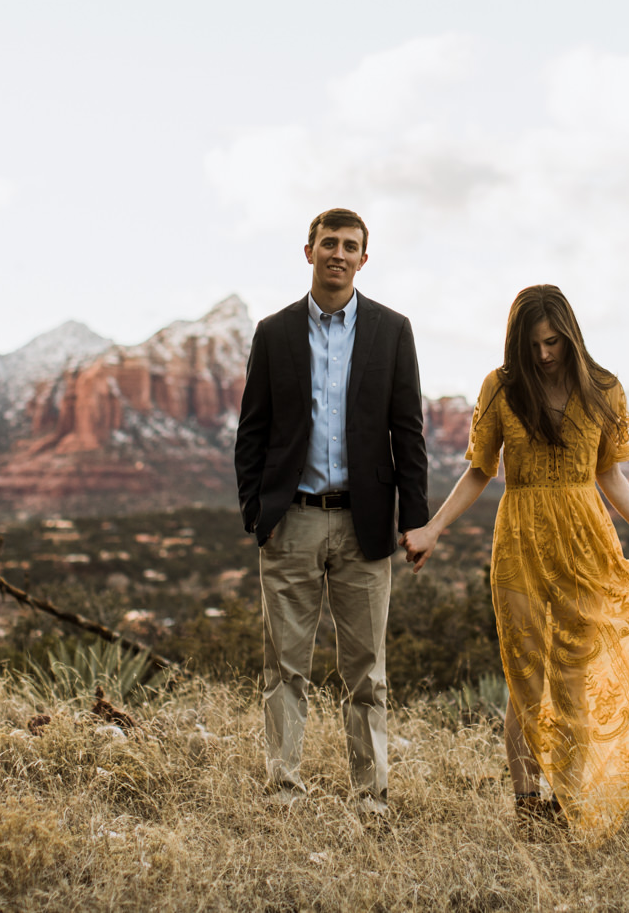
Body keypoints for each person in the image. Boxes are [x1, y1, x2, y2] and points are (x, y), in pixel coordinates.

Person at [403, 284, 629, 839]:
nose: (544, 354)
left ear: (571, 336)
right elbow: (480, 469)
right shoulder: (501, 388)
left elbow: (609, 473)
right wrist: (434, 528)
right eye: (533, 345)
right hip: (520, 540)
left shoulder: (604, 389)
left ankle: (572, 807)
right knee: (524, 676)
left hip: (586, 540)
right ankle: (530, 811)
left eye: (553, 342)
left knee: (573, 680)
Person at [235, 208, 430, 816]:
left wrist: (415, 520)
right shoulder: (274, 332)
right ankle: (283, 788)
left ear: (363, 259)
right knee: (285, 665)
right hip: (290, 519)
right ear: (309, 250)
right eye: (328, 243)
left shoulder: (391, 331)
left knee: (366, 671)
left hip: (365, 521)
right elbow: (253, 430)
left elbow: (409, 431)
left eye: (350, 246)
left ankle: (370, 795)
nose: (338, 254)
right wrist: (255, 512)